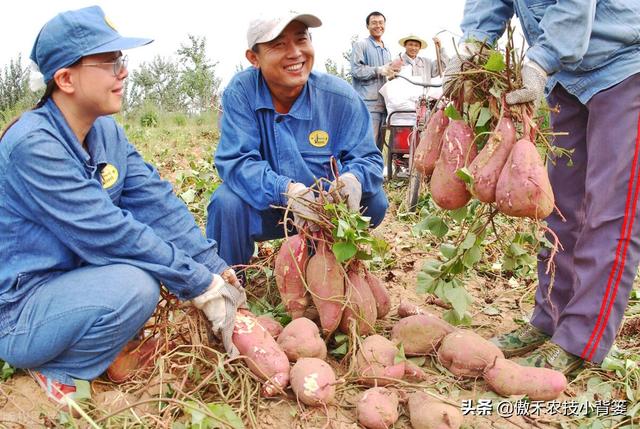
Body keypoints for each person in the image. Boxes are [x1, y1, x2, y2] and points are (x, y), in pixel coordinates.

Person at [0, 6, 246, 407]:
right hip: (21, 312)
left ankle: (96, 345)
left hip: (74, 287)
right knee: (135, 285)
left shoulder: (107, 133)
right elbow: (108, 232)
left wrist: (214, 267)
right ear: (65, 79)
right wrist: (199, 284)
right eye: (109, 62)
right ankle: (60, 369)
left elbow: (158, 204)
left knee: (143, 276)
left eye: (122, 60)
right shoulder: (34, 146)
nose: (123, 72)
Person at [444, 0, 640, 374]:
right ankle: (548, 319)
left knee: (611, 212)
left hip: (624, 66)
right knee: (562, 208)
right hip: (566, 76)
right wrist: (472, 47)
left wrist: (540, 59)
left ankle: (581, 339)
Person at [205, 11, 388, 268]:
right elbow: (236, 161)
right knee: (226, 203)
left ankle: (324, 262)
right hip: (267, 207)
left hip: (325, 210)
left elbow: (368, 158)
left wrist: (352, 180)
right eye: (278, 44)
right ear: (253, 58)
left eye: (301, 40)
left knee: (375, 200)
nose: (295, 53)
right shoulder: (242, 92)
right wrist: (288, 191)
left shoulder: (340, 98)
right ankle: (230, 283)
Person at [350, 11, 401, 150]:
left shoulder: (386, 50)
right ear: (367, 26)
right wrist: (378, 70)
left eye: (381, 23)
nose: (378, 26)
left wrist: (392, 73)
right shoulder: (361, 45)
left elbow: (386, 73)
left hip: (384, 105)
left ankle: (375, 172)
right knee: (366, 146)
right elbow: (356, 70)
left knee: (378, 147)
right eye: (374, 23)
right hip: (368, 104)